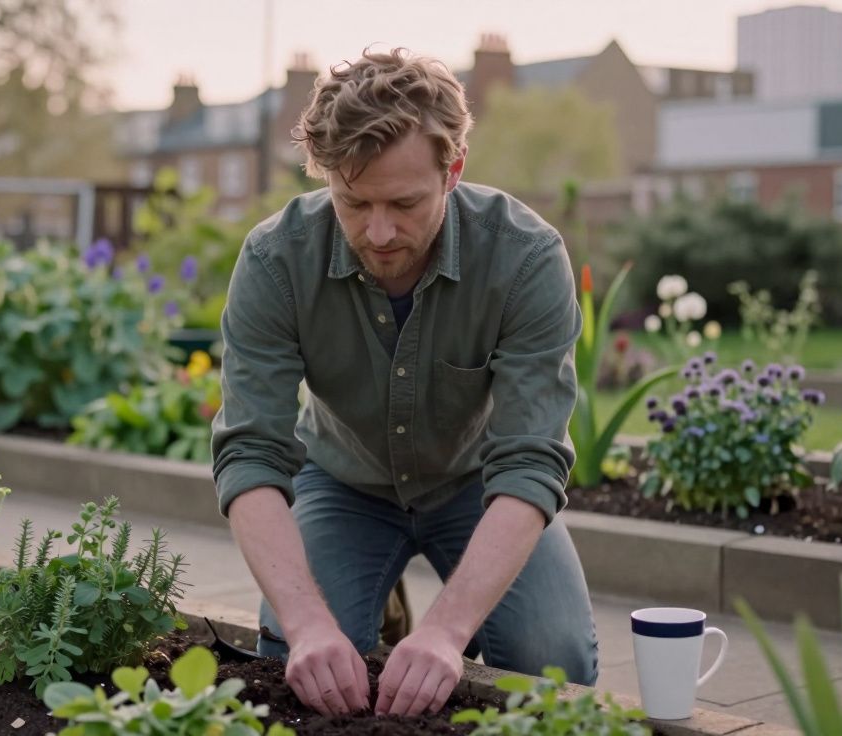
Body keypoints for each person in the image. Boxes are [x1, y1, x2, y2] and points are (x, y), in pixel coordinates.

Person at [211, 47, 598, 719]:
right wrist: (307, 625)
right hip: (344, 483)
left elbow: (531, 460)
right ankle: (371, 598)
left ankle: (427, 614)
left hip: (476, 486)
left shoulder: (525, 258)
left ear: (454, 170)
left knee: (553, 662)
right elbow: (250, 454)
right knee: (291, 661)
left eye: (404, 202)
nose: (379, 231)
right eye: (353, 202)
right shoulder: (276, 261)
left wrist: (447, 634)